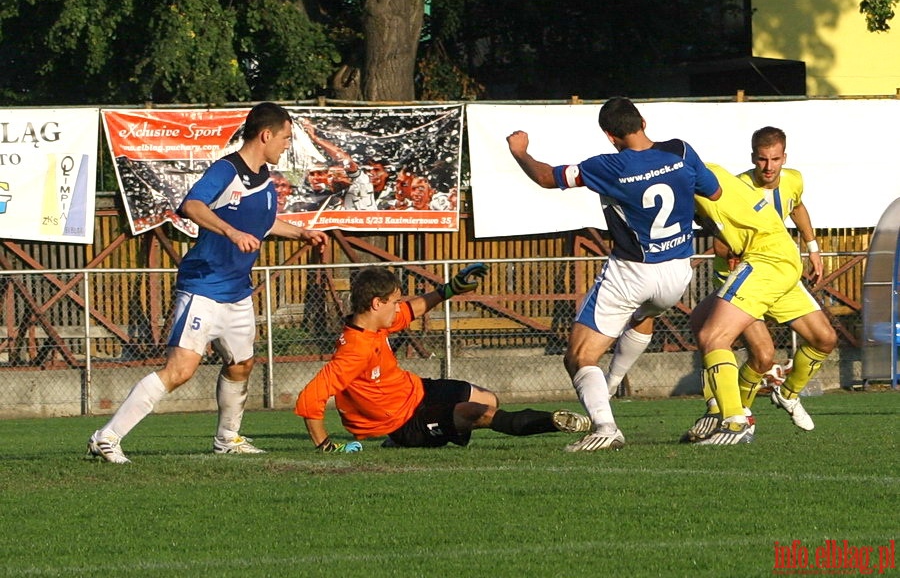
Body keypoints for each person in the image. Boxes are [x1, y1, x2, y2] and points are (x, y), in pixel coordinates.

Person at [87, 102, 329, 463]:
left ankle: (227, 439)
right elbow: (192, 206)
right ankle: (106, 437)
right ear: (265, 135)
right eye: (284, 137)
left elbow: (262, 225)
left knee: (241, 364)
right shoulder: (225, 170)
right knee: (179, 371)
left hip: (237, 290)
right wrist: (230, 232)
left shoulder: (264, 179)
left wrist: (301, 233)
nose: (286, 145)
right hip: (204, 286)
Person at [506, 96, 721, 452]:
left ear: (609, 135)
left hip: (633, 271)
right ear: (643, 122)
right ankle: (611, 384)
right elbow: (714, 191)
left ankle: (605, 425)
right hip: (678, 273)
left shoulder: (607, 166)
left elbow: (546, 178)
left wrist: (521, 152)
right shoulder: (681, 150)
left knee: (578, 356)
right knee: (643, 314)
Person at [294, 265, 591, 450]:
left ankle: (452, 426)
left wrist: (449, 290)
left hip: (418, 390)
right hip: (404, 422)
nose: (399, 308)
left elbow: (414, 310)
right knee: (476, 413)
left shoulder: (373, 326)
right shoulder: (355, 350)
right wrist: (325, 446)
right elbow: (311, 398)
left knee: (489, 400)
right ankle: (555, 421)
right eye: (394, 302)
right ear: (376, 303)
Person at [683, 128, 835, 441]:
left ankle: (788, 394)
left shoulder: (793, 179)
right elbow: (720, 237)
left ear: (784, 158)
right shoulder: (735, 186)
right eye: (762, 160)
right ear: (753, 158)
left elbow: (797, 207)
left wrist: (814, 248)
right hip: (743, 274)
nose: (769, 167)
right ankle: (736, 417)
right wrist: (731, 251)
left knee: (825, 338)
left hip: (777, 268)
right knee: (763, 356)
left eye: (775, 159)